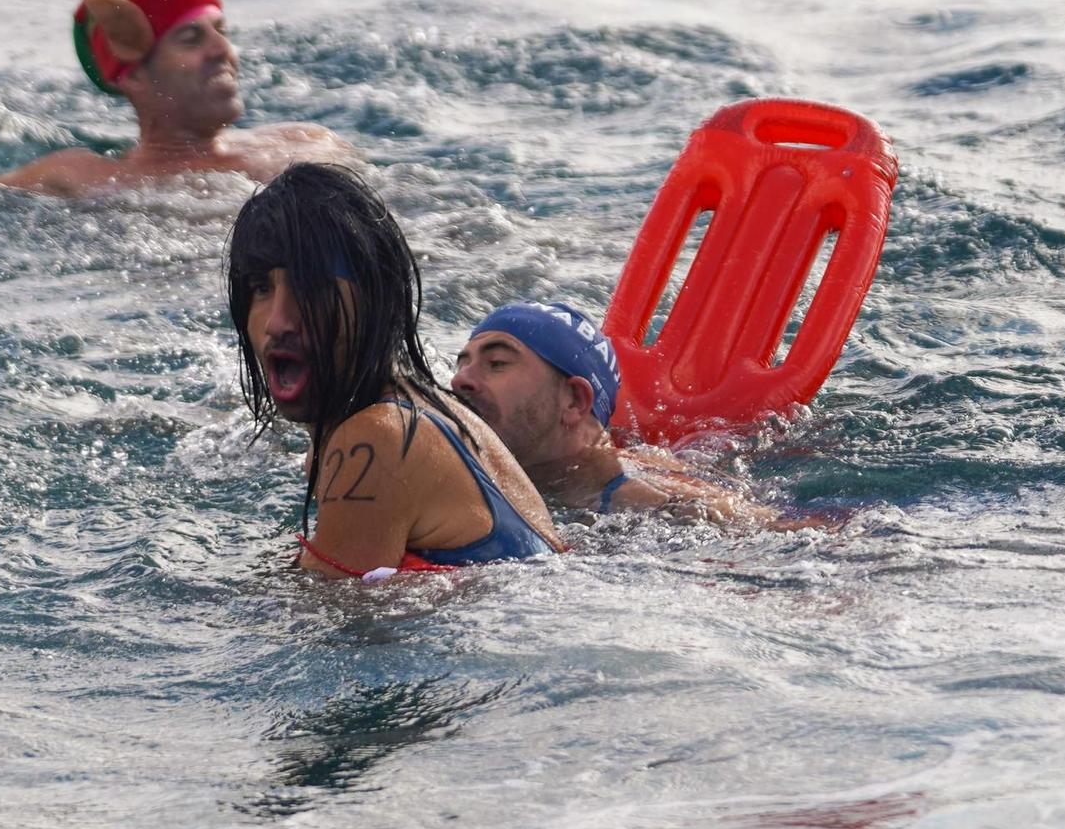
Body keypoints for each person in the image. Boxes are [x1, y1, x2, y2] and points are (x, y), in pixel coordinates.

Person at [228, 164, 564, 580]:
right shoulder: (419, 406)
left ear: (377, 298)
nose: (277, 321)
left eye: (310, 287)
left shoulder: (377, 439)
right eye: (262, 288)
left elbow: (323, 625)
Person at [0, 0, 357, 196]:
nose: (222, 49)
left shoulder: (307, 145)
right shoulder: (88, 180)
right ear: (134, 77)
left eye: (221, 31)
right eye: (191, 39)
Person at [450, 301, 767, 519]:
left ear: (574, 401)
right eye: (462, 362)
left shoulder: (665, 506)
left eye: (497, 364)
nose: (460, 379)